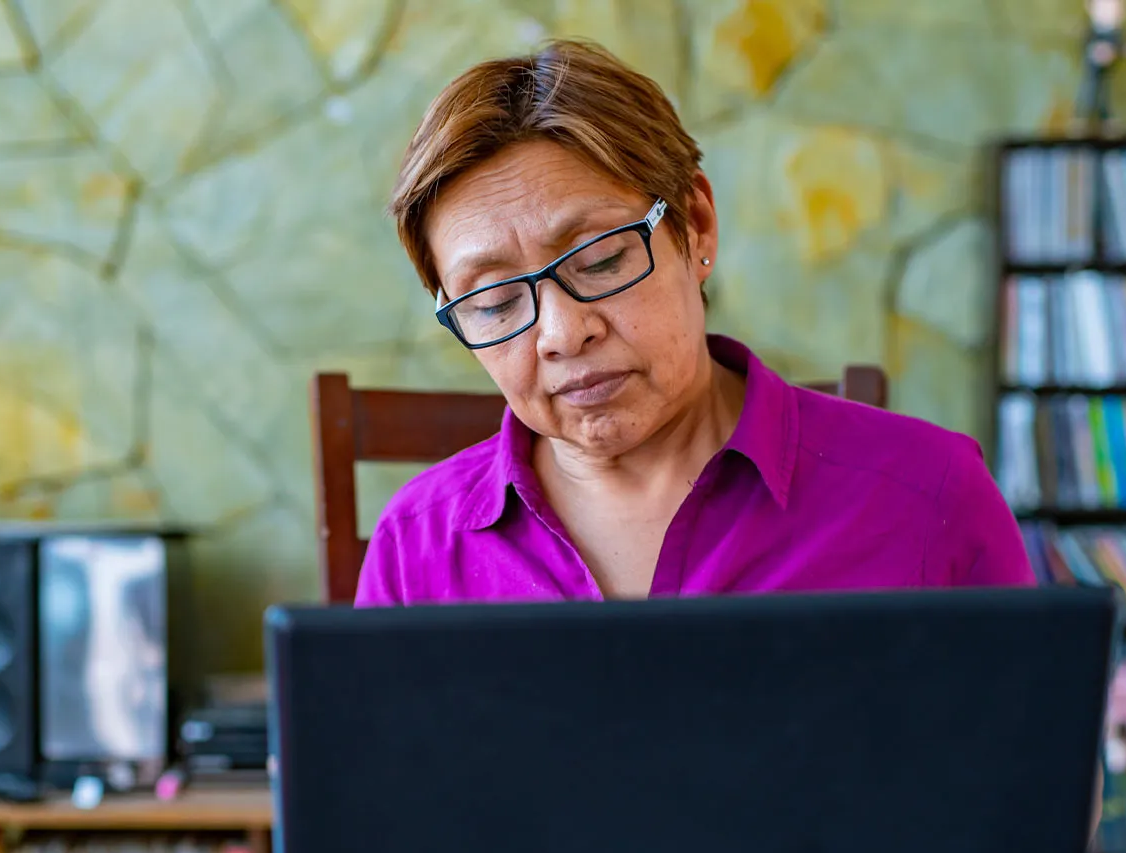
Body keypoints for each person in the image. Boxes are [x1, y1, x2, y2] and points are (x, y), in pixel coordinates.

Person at [358, 39, 1033, 608]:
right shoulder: (418, 548)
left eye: (598, 259)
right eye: (497, 302)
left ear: (696, 224)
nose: (563, 333)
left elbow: (1032, 761)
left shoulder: (927, 497)